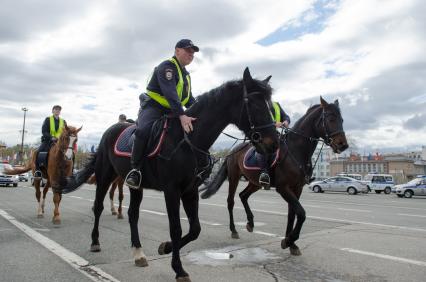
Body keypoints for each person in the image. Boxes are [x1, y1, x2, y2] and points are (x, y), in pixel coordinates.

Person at [125, 39, 199, 188]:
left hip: (173, 110)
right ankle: (135, 170)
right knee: (143, 131)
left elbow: (188, 98)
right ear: (177, 50)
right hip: (153, 108)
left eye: (193, 52)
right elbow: (170, 93)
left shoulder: (186, 74)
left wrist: (201, 110)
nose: (191, 54)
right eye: (188, 50)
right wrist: (182, 115)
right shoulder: (167, 67)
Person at [257, 101, 290, 186]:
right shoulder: (259, 104)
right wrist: (274, 123)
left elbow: (285, 115)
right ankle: (264, 173)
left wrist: (286, 121)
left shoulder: (276, 104)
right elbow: (260, 119)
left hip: (278, 133)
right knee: (264, 148)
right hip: (265, 134)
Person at [34, 105, 67, 178]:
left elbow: (66, 132)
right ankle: (38, 170)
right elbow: (44, 131)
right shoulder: (48, 119)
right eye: (56, 109)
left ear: (60, 112)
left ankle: (69, 171)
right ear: (52, 111)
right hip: (48, 141)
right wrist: (51, 137)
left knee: (70, 153)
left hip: (60, 142)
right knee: (38, 152)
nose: (57, 111)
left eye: (59, 110)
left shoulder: (63, 121)